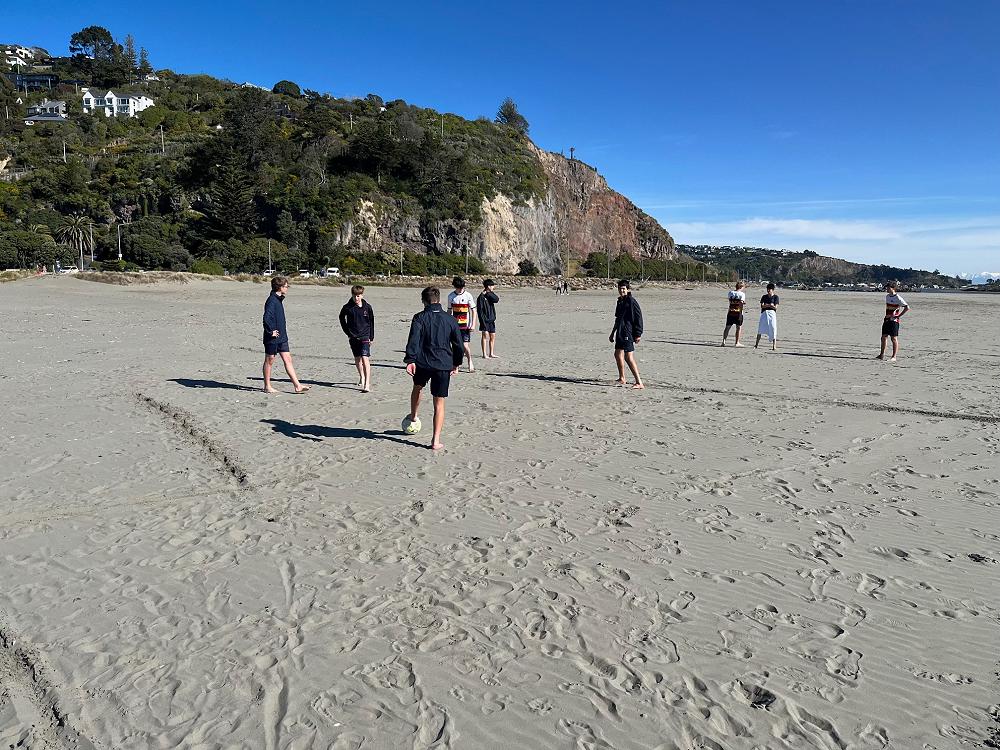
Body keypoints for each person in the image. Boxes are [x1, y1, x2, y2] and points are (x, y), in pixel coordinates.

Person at [404, 287, 465, 450]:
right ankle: (435, 440)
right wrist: (456, 363)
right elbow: (458, 344)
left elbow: (413, 340)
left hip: (423, 362)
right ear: (438, 300)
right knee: (439, 402)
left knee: (417, 387)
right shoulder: (450, 319)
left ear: (423, 301)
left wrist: (410, 359)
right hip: (443, 363)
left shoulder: (419, 317)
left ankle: (414, 416)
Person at [262, 276, 310, 394]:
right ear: (279, 287)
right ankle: (267, 386)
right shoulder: (272, 300)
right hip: (272, 337)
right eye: (286, 286)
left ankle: (297, 386)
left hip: (282, 337)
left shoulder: (278, 299)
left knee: (288, 359)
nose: (287, 288)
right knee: (269, 360)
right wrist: (271, 331)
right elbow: (266, 317)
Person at [609, 279, 644, 389]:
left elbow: (638, 317)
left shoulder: (631, 301)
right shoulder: (620, 301)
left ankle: (639, 382)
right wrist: (612, 333)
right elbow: (617, 319)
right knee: (617, 354)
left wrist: (638, 334)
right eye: (620, 289)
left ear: (628, 289)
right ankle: (622, 378)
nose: (621, 291)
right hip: (620, 331)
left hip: (627, 332)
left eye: (623, 289)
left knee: (628, 357)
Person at [339, 284, 375, 392]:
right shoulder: (347, 307)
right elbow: (341, 318)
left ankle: (367, 384)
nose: (356, 298)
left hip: (365, 336)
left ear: (362, 295)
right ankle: (361, 376)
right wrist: (347, 332)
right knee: (357, 359)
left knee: (365, 358)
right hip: (353, 337)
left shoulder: (367, 307)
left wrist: (371, 337)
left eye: (358, 296)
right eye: (354, 296)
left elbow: (371, 322)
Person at [447, 276, 477, 371]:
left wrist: (473, 324)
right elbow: (449, 310)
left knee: (464, 346)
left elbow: (474, 310)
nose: (460, 290)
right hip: (455, 325)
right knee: (456, 346)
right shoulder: (451, 296)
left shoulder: (468, 295)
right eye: (458, 288)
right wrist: (447, 323)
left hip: (465, 325)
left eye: (461, 288)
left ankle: (469, 361)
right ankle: (456, 365)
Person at [876, 281, 910, 362]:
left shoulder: (898, 298)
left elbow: (907, 307)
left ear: (893, 288)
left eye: (888, 288)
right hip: (886, 319)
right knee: (883, 337)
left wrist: (898, 316)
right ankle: (881, 354)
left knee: (893, 338)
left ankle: (894, 356)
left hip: (894, 321)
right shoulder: (887, 296)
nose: (886, 289)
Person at [477, 279, 500, 358]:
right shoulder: (481, 297)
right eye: (492, 285)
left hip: (491, 319)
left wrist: (489, 293)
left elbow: (496, 299)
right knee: (485, 336)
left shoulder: (489, 295)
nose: (493, 287)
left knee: (492, 336)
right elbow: (479, 310)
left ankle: (491, 353)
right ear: (488, 286)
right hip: (484, 320)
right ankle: (484, 354)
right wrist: (482, 321)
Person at [755, 283, 779, 351]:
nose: (768, 290)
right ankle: (756, 344)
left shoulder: (775, 297)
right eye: (767, 289)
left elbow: (775, 307)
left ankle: (774, 346)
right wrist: (769, 305)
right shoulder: (764, 296)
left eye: (769, 289)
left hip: (772, 314)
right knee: (760, 329)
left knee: (773, 328)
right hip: (764, 313)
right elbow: (762, 306)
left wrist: (769, 305)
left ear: (772, 290)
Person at [722, 281, 747, 347]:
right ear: (741, 287)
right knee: (738, 327)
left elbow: (731, 301)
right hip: (738, 312)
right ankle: (737, 342)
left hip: (730, 312)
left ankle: (724, 341)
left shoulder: (730, 293)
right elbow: (741, 303)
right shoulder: (742, 294)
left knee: (727, 327)